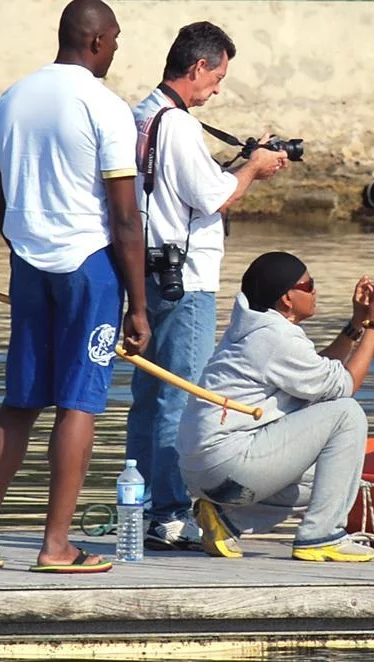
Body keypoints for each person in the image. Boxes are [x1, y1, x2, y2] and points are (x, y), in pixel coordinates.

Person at [0, 0, 150, 574]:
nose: (114, 51)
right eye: (114, 41)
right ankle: (56, 546)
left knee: (19, 401)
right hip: (90, 270)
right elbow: (125, 220)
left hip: (29, 265)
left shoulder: (6, 102)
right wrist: (138, 307)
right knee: (78, 404)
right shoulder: (104, 107)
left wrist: (26, 252)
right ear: (95, 41)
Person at [124, 22, 289, 550]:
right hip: (185, 281)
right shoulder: (176, 125)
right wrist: (255, 169)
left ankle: (145, 504)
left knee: (148, 399)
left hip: (146, 274)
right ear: (198, 68)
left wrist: (241, 162)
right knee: (183, 398)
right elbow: (213, 197)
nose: (218, 88)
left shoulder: (141, 115)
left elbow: (183, 187)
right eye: (218, 76)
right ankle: (171, 512)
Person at [177, 251, 374, 562]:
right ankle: (321, 536)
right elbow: (345, 385)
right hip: (229, 462)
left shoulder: (260, 329)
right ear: (287, 299)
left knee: (329, 475)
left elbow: (317, 377)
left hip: (210, 470)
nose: (316, 290)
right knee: (347, 413)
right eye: (309, 285)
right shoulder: (274, 337)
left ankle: (226, 519)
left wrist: (356, 325)